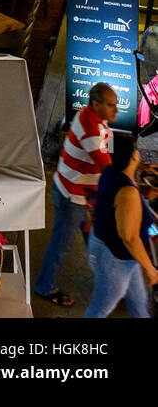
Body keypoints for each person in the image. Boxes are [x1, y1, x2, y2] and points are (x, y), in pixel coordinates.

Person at [34, 82, 116, 308]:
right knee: (61, 246)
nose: (116, 110)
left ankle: (109, 284)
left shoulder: (94, 116)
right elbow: (106, 166)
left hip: (86, 196)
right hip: (73, 198)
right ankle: (44, 287)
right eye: (111, 105)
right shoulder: (90, 128)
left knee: (96, 241)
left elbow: (107, 149)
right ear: (96, 104)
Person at [83, 132, 156, 318]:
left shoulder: (110, 172)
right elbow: (129, 237)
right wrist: (150, 269)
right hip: (116, 260)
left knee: (139, 303)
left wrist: (143, 185)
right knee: (99, 310)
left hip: (109, 250)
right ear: (133, 156)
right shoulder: (127, 192)